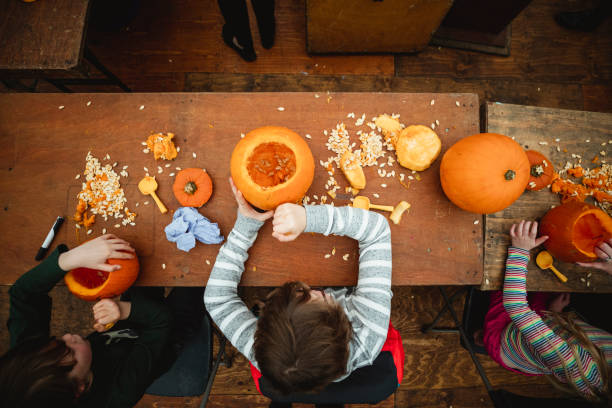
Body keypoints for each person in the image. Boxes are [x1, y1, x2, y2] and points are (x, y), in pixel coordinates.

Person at [204, 179, 392, 406]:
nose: (316, 289)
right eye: (321, 296)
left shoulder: (262, 348)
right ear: (346, 326)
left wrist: (246, 226)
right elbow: (377, 230)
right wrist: (309, 218)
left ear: (261, 328)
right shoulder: (368, 330)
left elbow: (217, 300)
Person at [0, 234, 203, 408]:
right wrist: (124, 311)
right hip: (168, 333)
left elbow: (23, 294)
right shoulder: (120, 393)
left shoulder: (26, 361)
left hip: (128, 324)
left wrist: (71, 258)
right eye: (70, 351)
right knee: (199, 272)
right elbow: (162, 321)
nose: (69, 336)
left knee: (144, 258)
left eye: (59, 340)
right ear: (80, 388)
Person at [483, 220, 612, 403]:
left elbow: (516, 306)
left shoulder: (581, 369)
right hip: (547, 327)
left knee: (495, 264)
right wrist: (555, 316)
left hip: (505, 332)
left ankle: (480, 335)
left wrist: (520, 251)